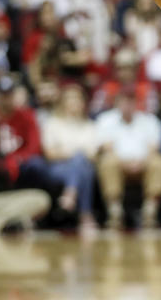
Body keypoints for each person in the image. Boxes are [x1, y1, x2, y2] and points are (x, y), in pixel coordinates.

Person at [95, 88, 161, 229]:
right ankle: (114, 211)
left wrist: (140, 162)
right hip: (118, 162)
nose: (127, 105)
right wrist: (125, 163)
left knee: (160, 162)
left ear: (136, 103)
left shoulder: (149, 120)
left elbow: (154, 147)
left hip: (143, 162)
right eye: (123, 101)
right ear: (117, 103)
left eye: (130, 101)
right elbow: (106, 147)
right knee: (108, 161)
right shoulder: (106, 120)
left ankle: (150, 211)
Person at [41, 83, 99, 231]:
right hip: (57, 169)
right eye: (69, 98)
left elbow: (93, 155)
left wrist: (68, 152)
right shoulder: (53, 123)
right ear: (63, 102)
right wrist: (77, 153)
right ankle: (85, 215)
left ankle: (70, 194)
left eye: (77, 99)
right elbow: (50, 154)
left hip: (83, 166)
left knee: (83, 166)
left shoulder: (90, 125)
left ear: (83, 102)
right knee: (81, 161)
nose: (73, 102)